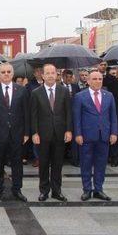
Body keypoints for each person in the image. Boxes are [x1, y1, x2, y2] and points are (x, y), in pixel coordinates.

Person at [0, 63, 30, 202]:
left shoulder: (22, 90)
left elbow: (26, 113)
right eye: (3, 72)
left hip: (17, 134)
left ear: (12, 74)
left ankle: (17, 190)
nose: (6, 74)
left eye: (8, 71)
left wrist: (27, 133)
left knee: (17, 164)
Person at [73, 71, 118, 201]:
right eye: (95, 79)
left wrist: (114, 132)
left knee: (101, 164)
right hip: (86, 136)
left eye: (100, 79)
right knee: (86, 163)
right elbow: (76, 118)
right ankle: (87, 190)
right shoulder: (80, 96)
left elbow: (113, 116)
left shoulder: (109, 96)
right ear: (88, 81)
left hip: (104, 135)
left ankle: (98, 189)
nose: (98, 81)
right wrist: (78, 134)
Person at [30, 64, 72, 201]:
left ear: (56, 75)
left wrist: (69, 130)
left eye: (52, 73)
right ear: (42, 75)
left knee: (57, 164)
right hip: (42, 135)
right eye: (47, 73)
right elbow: (33, 115)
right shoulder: (36, 93)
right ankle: (44, 191)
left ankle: (56, 191)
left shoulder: (64, 91)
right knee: (43, 164)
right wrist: (34, 133)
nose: (50, 75)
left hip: (60, 134)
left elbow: (68, 113)